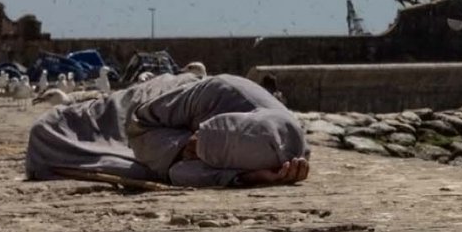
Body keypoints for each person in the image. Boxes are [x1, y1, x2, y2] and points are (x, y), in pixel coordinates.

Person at [26, 72, 309, 187]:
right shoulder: (217, 92)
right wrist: (181, 148)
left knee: (133, 169)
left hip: (163, 141)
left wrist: (248, 177)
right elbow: (139, 121)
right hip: (157, 105)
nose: (193, 149)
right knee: (48, 130)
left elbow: (178, 173)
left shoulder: (278, 149)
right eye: (197, 143)